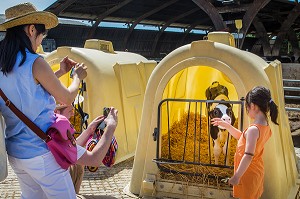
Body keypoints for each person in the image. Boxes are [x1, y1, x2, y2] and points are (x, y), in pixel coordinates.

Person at [0, 3, 118, 199]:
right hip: (42, 152)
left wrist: (60, 72)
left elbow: (28, 89)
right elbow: (67, 97)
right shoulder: (34, 61)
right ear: (31, 29)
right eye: (41, 36)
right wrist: (77, 76)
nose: (39, 42)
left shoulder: (5, 64)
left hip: (16, 154)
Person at [211, 86, 279, 199]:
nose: (247, 110)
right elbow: (242, 137)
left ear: (253, 106)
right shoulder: (264, 125)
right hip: (255, 171)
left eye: (247, 107)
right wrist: (227, 126)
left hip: (247, 174)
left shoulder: (253, 129)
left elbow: (248, 156)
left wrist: (237, 176)